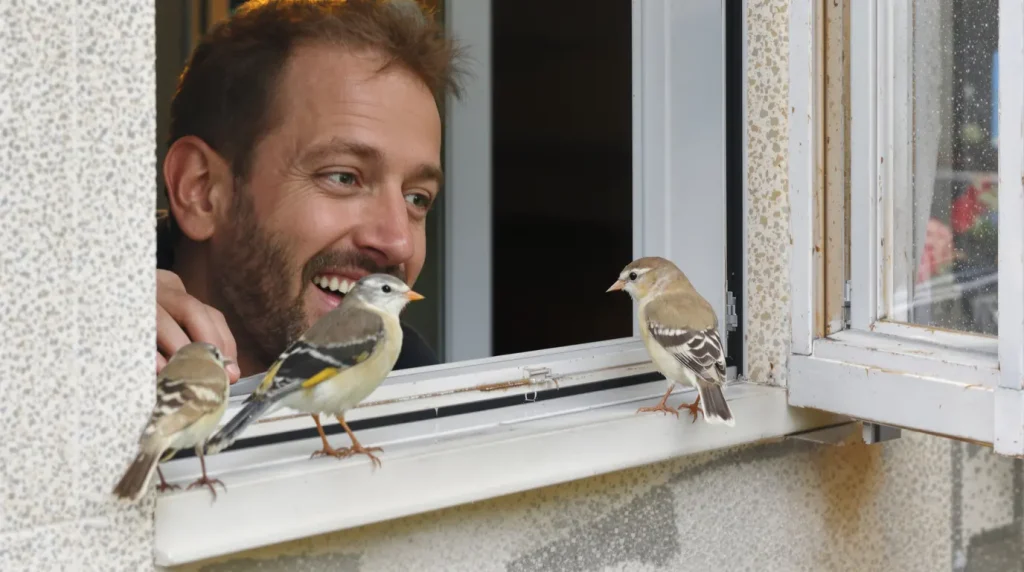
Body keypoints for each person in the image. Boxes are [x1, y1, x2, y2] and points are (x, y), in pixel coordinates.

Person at [155, 0, 465, 383]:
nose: (398, 242)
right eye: (344, 177)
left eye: (417, 198)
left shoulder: (411, 378)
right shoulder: (84, 338)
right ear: (201, 190)